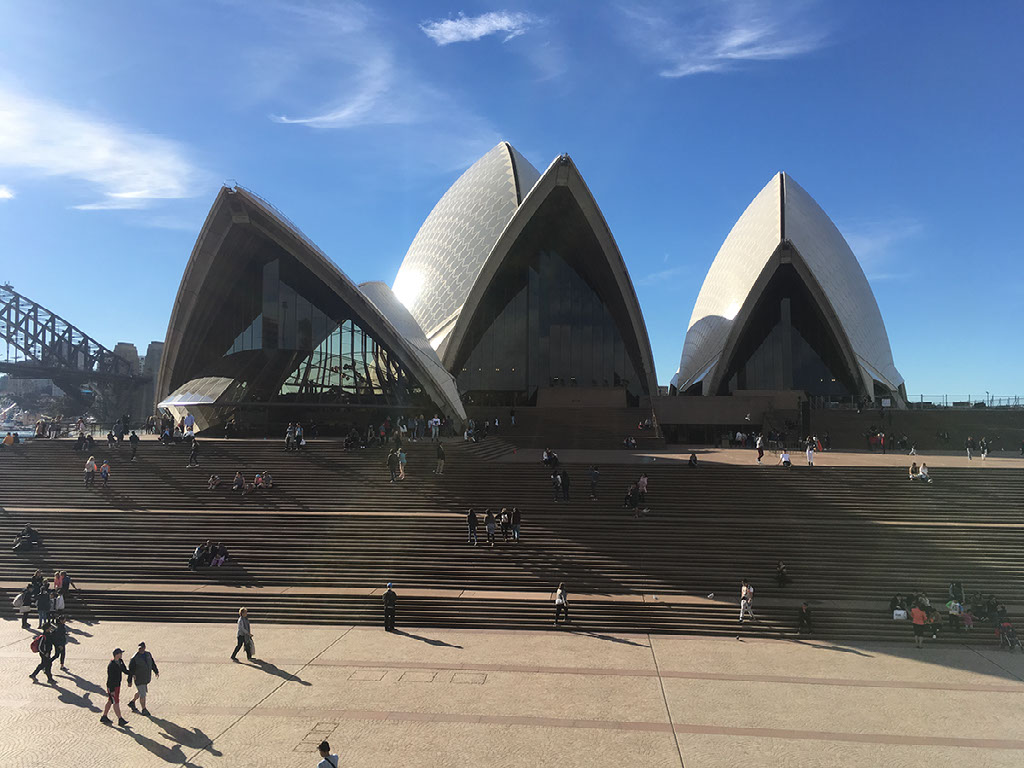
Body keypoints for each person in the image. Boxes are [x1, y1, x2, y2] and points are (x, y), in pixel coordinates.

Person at [127, 641, 159, 715]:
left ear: (145, 648)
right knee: (143, 694)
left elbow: (152, 663)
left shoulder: (148, 654)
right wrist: (129, 681)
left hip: (146, 678)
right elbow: (131, 670)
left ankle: (132, 702)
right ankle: (144, 709)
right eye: (139, 648)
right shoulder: (134, 658)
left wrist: (156, 671)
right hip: (139, 678)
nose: (140, 649)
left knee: (140, 691)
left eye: (142, 648)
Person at [101, 648, 130, 725]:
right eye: (120, 653)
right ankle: (120, 719)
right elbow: (110, 678)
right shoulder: (111, 665)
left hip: (117, 685)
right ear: (117, 655)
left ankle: (104, 716)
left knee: (110, 701)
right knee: (115, 702)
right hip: (112, 686)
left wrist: (132, 673)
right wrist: (112, 690)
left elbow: (124, 670)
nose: (121, 654)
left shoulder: (120, 661)